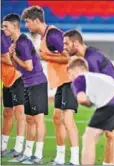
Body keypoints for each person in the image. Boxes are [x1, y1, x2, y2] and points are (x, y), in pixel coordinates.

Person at [21, 6, 79, 165]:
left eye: (27, 22)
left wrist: (46, 56)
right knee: (57, 118)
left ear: (35, 20)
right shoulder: (44, 36)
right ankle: (60, 158)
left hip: (71, 80)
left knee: (67, 120)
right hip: (62, 82)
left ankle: (75, 160)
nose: (26, 26)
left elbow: (70, 57)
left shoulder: (53, 34)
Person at [63, 29, 114, 165]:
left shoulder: (91, 58)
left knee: (111, 134)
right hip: (109, 97)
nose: (64, 47)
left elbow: (98, 84)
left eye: (67, 44)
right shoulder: (87, 56)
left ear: (76, 43)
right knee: (110, 134)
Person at [67, 57, 114, 165]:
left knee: (89, 138)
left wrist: (89, 103)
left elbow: (81, 99)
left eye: (70, 73)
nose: (70, 77)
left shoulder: (80, 78)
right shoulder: (102, 77)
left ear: (76, 69)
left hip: (113, 101)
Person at [3, 13, 48, 164]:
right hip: (28, 83)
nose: (3, 29)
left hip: (37, 83)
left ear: (15, 26)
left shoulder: (22, 43)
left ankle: (38, 156)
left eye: (6, 26)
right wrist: (12, 56)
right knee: (29, 119)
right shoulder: (14, 42)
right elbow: (19, 68)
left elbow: (28, 66)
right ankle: (28, 153)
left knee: (38, 119)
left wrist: (13, 57)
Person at [1, 30, 25, 158]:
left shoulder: (5, 37)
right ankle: (2, 146)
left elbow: (8, 58)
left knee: (19, 111)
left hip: (17, 78)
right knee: (7, 112)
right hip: (7, 79)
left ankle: (19, 148)